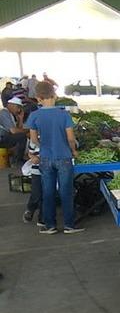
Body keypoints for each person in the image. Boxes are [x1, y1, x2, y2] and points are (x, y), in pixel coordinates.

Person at [25, 82, 83, 235]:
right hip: (64, 157)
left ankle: (50, 225)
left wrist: (43, 145)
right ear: (55, 96)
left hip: (45, 158)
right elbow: (71, 138)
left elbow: (33, 140)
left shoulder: (35, 115)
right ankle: (69, 225)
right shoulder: (64, 114)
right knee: (66, 192)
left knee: (48, 192)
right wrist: (73, 150)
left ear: (38, 98)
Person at [0, 97, 30, 164]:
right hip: (2, 138)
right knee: (22, 136)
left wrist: (20, 118)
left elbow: (18, 130)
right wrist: (28, 130)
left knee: (22, 135)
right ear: (12, 105)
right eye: (18, 108)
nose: (18, 110)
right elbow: (14, 131)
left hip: (5, 137)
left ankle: (19, 158)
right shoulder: (4, 113)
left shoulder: (10, 114)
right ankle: (17, 161)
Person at [22, 139, 44, 227]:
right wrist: (32, 157)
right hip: (37, 171)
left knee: (47, 194)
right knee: (37, 193)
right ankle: (30, 209)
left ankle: (42, 218)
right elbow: (29, 153)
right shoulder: (34, 140)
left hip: (50, 170)